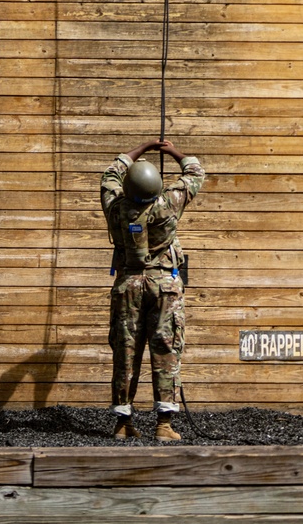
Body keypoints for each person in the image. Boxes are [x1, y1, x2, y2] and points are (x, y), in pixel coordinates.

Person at [100, 138, 205, 441]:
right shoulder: (169, 202)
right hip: (164, 288)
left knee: (125, 352)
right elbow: (195, 172)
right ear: (156, 188)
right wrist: (171, 152)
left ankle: (122, 423)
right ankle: (164, 424)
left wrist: (141, 148)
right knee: (166, 350)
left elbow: (110, 175)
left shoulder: (116, 207)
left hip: (127, 284)